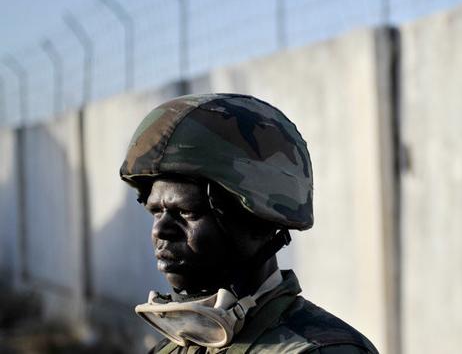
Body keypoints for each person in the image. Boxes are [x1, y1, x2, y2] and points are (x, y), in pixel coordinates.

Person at [119, 93, 378, 354]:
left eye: (186, 212)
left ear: (257, 222)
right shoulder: (169, 349)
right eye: (156, 212)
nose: (160, 230)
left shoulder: (320, 350)